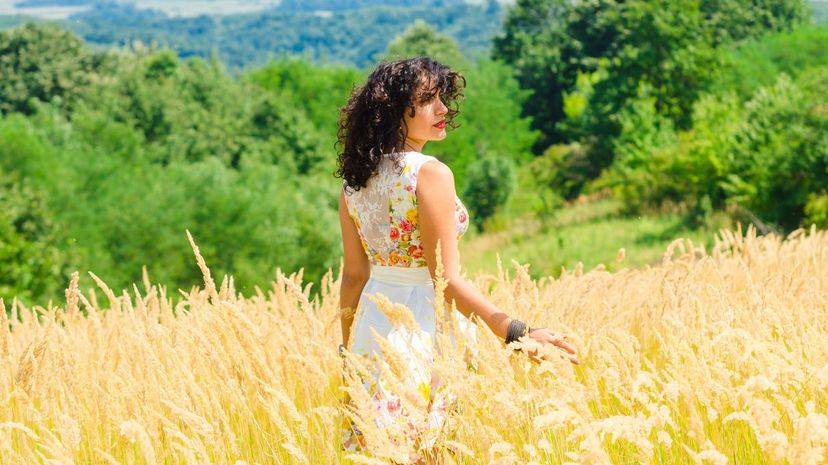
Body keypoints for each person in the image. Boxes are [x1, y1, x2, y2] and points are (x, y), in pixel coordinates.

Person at [334, 56, 578, 464]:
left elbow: (355, 277)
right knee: (431, 453)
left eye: (442, 98)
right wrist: (517, 332)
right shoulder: (429, 173)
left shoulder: (355, 182)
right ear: (395, 109)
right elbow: (445, 281)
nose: (444, 109)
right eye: (428, 100)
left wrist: (348, 355)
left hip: (371, 334)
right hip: (422, 332)